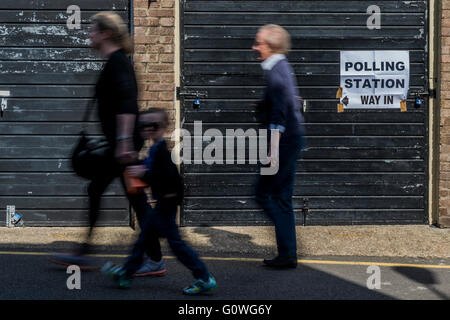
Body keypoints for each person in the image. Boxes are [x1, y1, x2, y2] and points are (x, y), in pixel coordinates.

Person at [49, 12, 165, 276]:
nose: (89, 34)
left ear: (106, 33)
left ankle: (153, 259)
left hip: (121, 147)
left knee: (131, 198)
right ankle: (85, 252)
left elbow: (127, 104)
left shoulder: (117, 62)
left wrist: (124, 143)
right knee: (119, 195)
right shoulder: (115, 62)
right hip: (120, 145)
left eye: (93, 30)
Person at [102, 108, 216, 295]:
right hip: (163, 203)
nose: (147, 129)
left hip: (167, 203)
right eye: (143, 126)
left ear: (164, 128)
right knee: (144, 238)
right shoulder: (154, 150)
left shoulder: (162, 152)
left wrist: (143, 174)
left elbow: (166, 178)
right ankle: (126, 273)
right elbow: (149, 171)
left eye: (153, 125)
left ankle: (204, 277)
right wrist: (136, 163)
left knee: (176, 245)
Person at [252, 25, 305, 268]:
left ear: (270, 46)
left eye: (259, 43)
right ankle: (287, 253)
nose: (255, 48)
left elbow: (279, 115)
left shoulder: (276, 72)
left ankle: (287, 248)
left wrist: (272, 152)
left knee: (263, 194)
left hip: (283, 142)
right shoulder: (282, 67)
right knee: (282, 196)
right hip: (291, 140)